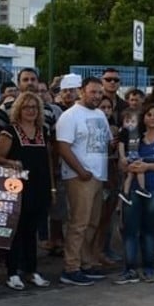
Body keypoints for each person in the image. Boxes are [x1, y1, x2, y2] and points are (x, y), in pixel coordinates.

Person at [55, 77, 112, 286]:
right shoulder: (69, 116)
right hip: (80, 177)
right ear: (82, 91)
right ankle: (71, 267)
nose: (97, 96)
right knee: (78, 223)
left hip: (98, 176)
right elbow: (63, 147)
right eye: (93, 92)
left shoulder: (99, 114)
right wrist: (80, 171)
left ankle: (85, 263)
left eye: (99, 93)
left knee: (92, 222)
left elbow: (107, 141)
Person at [0, 93, 53, 290]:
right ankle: (12, 272)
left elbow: (49, 160)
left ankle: (31, 270)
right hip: (17, 186)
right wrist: (12, 162)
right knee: (16, 231)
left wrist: (51, 187)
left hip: (39, 185)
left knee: (32, 231)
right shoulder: (9, 131)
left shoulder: (43, 131)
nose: (30, 111)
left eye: (34, 107)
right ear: (19, 109)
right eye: (26, 107)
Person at [114, 104, 154, 284]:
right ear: (144, 118)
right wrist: (126, 163)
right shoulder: (135, 137)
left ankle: (149, 268)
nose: (152, 117)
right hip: (134, 187)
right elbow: (122, 162)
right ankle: (129, 269)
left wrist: (147, 166)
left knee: (150, 230)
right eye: (149, 114)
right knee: (130, 229)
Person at [118, 108, 151, 202]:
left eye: (133, 121)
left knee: (131, 174)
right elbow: (121, 145)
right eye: (127, 121)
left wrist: (148, 143)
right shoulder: (124, 132)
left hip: (136, 154)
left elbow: (145, 140)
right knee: (139, 170)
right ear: (123, 122)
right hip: (129, 155)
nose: (130, 124)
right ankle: (141, 188)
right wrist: (122, 157)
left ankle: (126, 193)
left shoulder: (139, 132)